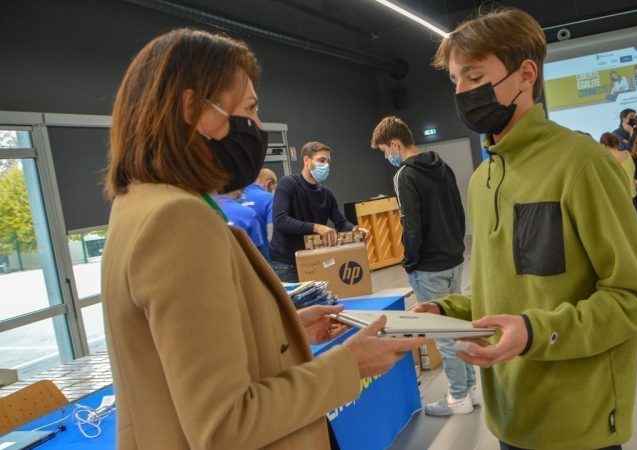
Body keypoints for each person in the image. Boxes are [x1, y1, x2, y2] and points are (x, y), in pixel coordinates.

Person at [100, 29, 424, 450]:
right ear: (192, 108)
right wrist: (349, 364)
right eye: (249, 109)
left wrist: (281, 331)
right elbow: (224, 425)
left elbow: (190, 360)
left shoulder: (137, 204)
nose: (256, 126)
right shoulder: (177, 218)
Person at [415, 8, 637, 450]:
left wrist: (535, 332)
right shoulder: (481, 180)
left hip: (576, 421)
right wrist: (444, 312)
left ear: (525, 74)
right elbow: (505, 293)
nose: (461, 92)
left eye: (473, 76)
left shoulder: (582, 164)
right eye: (455, 80)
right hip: (509, 415)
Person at [371, 116, 477, 416]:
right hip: (454, 258)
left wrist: (409, 260)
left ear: (395, 144)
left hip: (428, 266)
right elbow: (458, 211)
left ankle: (458, 397)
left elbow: (411, 225)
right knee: (458, 325)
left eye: (383, 150)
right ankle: (468, 389)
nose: (385, 156)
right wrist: (457, 246)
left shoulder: (404, 175)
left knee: (443, 334)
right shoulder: (442, 166)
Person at [269, 142, 370, 282]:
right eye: (321, 160)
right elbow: (280, 221)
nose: (326, 165)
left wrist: (355, 229)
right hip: (287, 265)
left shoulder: (326, 193)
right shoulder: (288, 184)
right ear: (306, 161)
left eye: (328, 161)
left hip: (315, 260)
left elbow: (340, 222)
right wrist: (316, 227)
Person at [213, 189, 265, 256]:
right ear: (235, 188)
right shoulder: (247, 212)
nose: (244, 191)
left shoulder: (201, 206)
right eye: (242, 189)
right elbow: (256, 250)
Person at [243, 168, 277, 260]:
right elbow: (272, 234)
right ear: (269, 183)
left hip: (241, 258)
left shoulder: (237, 198)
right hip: (263, 258)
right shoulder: (269, 198)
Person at [600, 132, 636, 198]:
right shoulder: (628, 154)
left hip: (617, 198)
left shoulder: (606, 160)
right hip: (632, 195)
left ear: (603, 145)